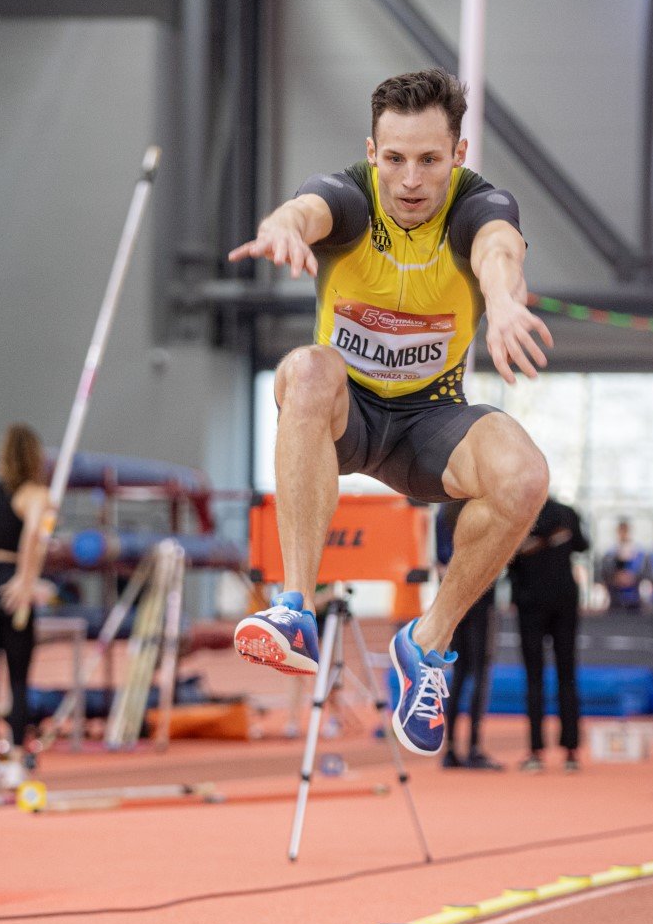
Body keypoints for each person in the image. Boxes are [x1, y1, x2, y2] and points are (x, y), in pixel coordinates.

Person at [228, 68, 552, 757]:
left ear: (457, 156)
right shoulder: (350, 199)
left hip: (427, 425)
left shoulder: (476, 207)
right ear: (372, 152)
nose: (411, 181)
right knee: (309, 368)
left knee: (525, 476)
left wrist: (501, 299)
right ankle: (293, 609)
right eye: (396, 159)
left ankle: (426, 646)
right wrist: (283, 224)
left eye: (430, 160)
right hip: (345, 415)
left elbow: (499, 246)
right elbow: (306, 211)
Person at [0, 423, 51, 794]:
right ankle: (16, 761)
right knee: (17, 681)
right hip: (9, 584)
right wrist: (26, 579)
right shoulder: (34, 494)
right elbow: (34, 533)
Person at [508, 496, 589, 772]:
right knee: (567, 674)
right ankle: (571, 752)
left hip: (531, 603)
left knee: (534, 677)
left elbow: (507, 561)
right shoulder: (567, 513)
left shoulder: (519, 515)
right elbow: (582, 544)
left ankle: (535, 751)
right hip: (564, 601)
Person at [435, 500, 501, 769]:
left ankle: (450, 747)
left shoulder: (444, 511)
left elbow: (440, 558)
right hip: (479, 597)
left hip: (453, 597)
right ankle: (473, 746)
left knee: (460, 669)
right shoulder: (484, 509)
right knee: (478, 669)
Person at [599, 519, 643, 612]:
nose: (623, 534)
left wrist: (630, 577)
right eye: (621, 531)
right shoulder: (610, 553)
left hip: (633, 599)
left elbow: (641, 572)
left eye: (625, 531)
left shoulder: (638, 552)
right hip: (615, 598)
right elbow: (605, 573)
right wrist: (616, 578)